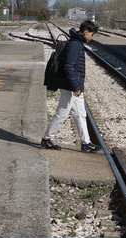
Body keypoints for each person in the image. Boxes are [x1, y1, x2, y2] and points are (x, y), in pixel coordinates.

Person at [41, 20, 100, 153]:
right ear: (85, 32)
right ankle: (47, 139)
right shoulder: (75, 45)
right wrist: (75, 86)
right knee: (62, 112)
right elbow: (69, 66)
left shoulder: (77, 43)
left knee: (80, 114)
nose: (91, 37)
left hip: (74, 85)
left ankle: (86, 143)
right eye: (91, 34)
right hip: (70, 86)